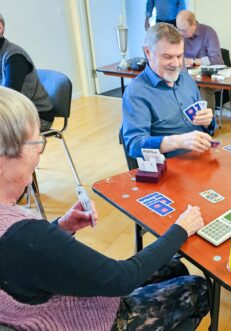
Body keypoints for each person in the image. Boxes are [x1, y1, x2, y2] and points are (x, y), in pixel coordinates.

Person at [0, 87, 209, 330]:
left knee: (175, 266)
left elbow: (26, 261)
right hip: (86, 321)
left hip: (50, 302)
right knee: (198, 287)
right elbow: (121, 279)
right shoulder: (24, 236)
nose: (40, 150)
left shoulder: (19, 232)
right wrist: (181, 229)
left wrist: (61, 227)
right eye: (36, 142)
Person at [122, 23, 215, 159]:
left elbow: (209, 128)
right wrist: (176, 141)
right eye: (167, 57)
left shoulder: (186, 79)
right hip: (171, 168)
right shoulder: (136, 93)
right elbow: (134, 145)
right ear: (148, 52)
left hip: (203, 158)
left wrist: (208, 122)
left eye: (179, 56)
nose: (176, 64)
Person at [0, 13, 54, 132]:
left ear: (0, 28)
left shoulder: (14, 56)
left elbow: (9, 98)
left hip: (36, 116)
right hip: (11, 115)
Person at [176, 10, 223, 111]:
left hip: (206, 76)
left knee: (205, 87)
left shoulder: (208, 32)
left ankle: (206, 124)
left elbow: (216, 60)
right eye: (178, 29)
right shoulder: (179, 34)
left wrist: (193, 61)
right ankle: (181, 123)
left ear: (194, 24)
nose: (180, 33)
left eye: (184, 30)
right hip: (185, 74)